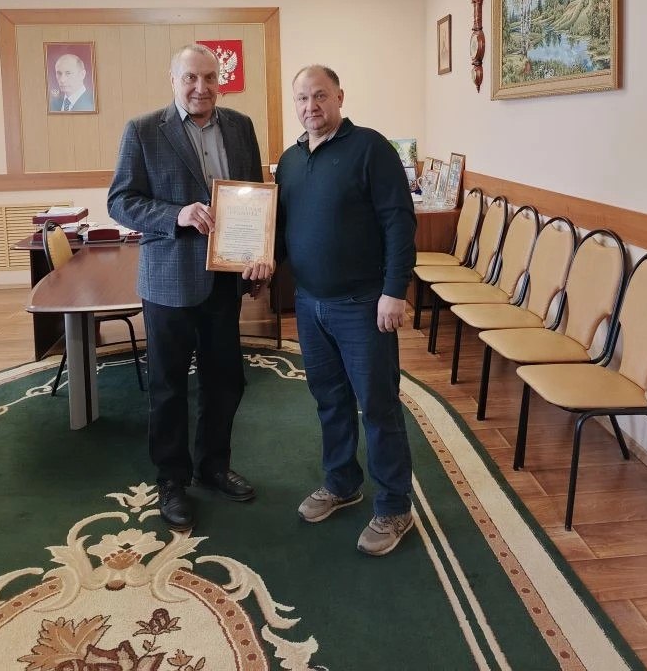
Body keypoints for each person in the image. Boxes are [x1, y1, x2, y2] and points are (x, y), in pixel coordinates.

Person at [108, 43, 272, 531]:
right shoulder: (143, 129)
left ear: (220, 80)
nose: (201, 87)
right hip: (168, 281)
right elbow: (121, 201)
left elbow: (256, 198)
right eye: (190, 78)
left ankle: (213, 466)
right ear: (173, 80)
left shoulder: (240, 126)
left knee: (226, 381)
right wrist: (176, 215)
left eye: (209, 77)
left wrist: (259, 256)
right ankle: (172, 480)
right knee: (168, 387)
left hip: (225, 279)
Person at [275, 65, 417, 556]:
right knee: (329, 400)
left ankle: (395, 506)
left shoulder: (371, 148)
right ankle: (341, 483)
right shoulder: (290, 161)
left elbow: (399, 222)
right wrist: (256, 262)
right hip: (308, 303)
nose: (310, 106)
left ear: (339, 97)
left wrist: (394, 290)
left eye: (320, 96)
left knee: (378, 405)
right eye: (302, 98)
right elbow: (282, 231)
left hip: (363, 305)